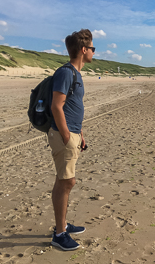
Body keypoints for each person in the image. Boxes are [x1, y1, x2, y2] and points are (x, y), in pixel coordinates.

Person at [48, 29, 95, 251]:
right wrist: (67, 135)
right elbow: (56, 105)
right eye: (92, 48)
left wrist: (80, 133)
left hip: (73, 133)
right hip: (63, 135)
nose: (94, 52)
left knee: (65, 180)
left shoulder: (75, 73)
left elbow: (72, 107)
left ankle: (63, 225)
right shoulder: (66, 73)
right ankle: (59, 234)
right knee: (66, 182)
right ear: (84, 50)